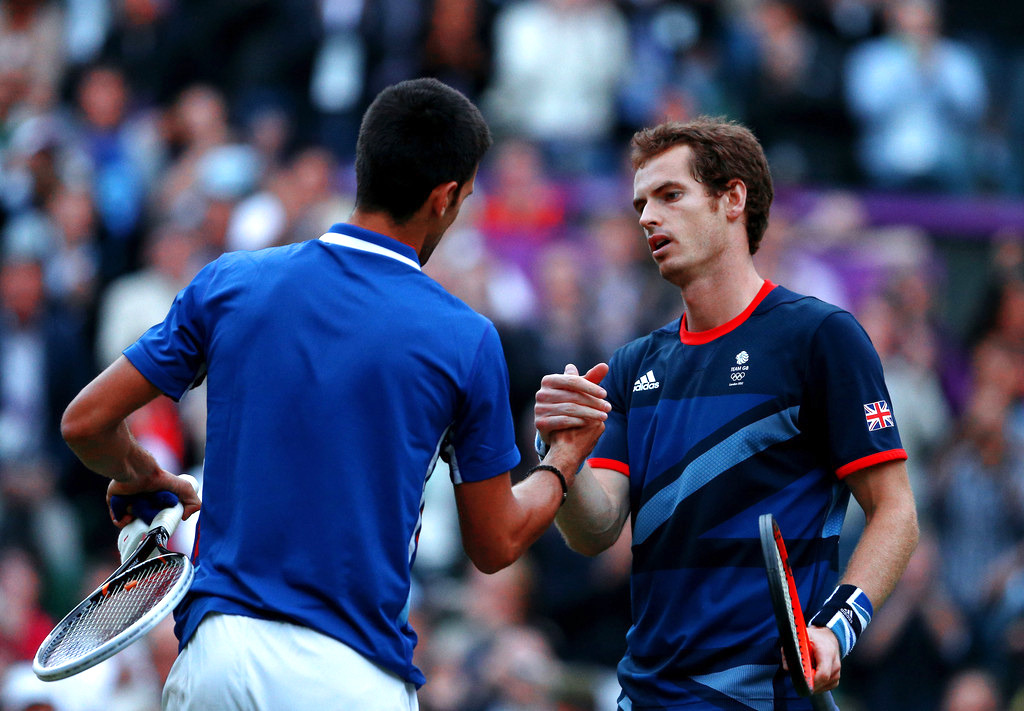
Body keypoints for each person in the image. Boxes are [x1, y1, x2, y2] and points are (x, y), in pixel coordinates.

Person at [59, 78, 603, 710]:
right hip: (348, 676)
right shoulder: (466, 338)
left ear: (363, 168)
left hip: (217, 661)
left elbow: (85, 424)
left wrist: (141, 472)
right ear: (445, 197)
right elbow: (495, 543)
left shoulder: (232, 282)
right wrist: (563, 458)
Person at [534, 118, 919, 710]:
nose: (646, 218)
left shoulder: (820, 338)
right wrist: (565, 456)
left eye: (670, 195)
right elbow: (594, 531)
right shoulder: (635, 364)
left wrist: (838, 626)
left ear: (732, 199)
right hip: (646, 695)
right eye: (640, 203)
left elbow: (895, 512)